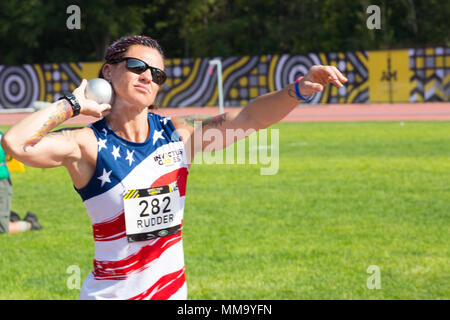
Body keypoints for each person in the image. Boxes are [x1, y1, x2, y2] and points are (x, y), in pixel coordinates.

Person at [1, 35, 347, 299]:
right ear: (108, 71)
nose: (147, 77)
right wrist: (73, 104)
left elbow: (249, 117)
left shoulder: (177, 135)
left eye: (157, 74)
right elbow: (16, 144)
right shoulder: (86, 143)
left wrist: (299, 89)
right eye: (137, 67)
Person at [0, 130, 42, 234]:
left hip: (2, 181)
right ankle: (9, 216)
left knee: (2, 229)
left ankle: (30, 223)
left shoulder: (2, 136)